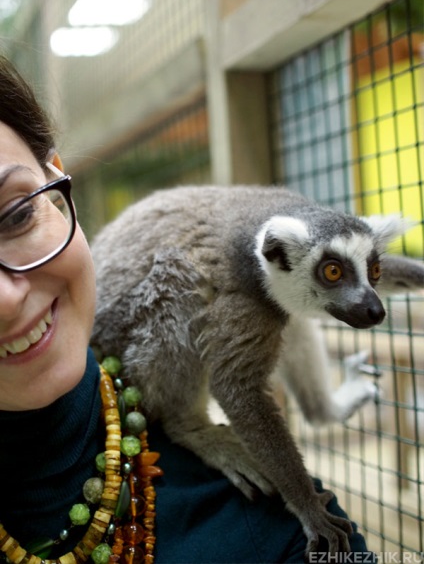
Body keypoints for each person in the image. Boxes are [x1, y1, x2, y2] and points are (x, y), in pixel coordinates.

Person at [0, 55, 375, 564]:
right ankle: (191, 422)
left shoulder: (259, 533)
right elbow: (241, 389)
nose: (6, 299)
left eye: (17, 214)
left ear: (57, 181)